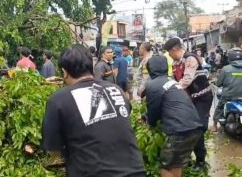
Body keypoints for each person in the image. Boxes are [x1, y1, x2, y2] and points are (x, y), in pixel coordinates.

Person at [42, 44, 145, 177]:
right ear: (91, 66)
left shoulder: (58, 100)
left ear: (64, 72)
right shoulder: (117, 90)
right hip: (135, 171)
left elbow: (53, 150)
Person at [142, 55, 202, 177]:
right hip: (195, 128)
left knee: (165, 167)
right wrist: (145, 116)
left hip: (180, 130)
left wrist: (149, 123)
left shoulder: (152, 85)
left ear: (149, 69)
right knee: (175, 164)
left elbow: (153, 112)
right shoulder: (172, 82)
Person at [164, 37, 213, 171]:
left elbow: (187, 80)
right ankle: (189, 157)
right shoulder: (175, 63)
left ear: (175, 50)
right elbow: (175, 79)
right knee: (189, 127)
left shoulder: (190, 59)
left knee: (199, 127)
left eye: (169, 52)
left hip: (203, 97)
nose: (169, 55)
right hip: (189, 98)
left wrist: (171, 88)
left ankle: (201, 161)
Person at [212, 48, 242, 132]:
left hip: (229, 96)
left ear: (230, 58)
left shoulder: (226, 69)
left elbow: (218, 84)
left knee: (220, 107)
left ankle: (214, 126)